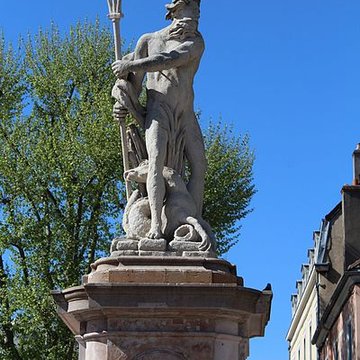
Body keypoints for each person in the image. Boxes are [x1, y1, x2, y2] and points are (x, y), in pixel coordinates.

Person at [112, 0, 206, 239]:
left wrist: (131, 63)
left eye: (197, 12)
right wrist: (121, 103)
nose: (195, 16)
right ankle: (155, 227)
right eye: (190, 10)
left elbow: (172, 59)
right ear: (175, 11)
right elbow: (133, 84)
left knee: (200, 164)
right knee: (155, 161)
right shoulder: (148, 41)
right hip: (159, 110)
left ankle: (192, 224)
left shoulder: (195, 42)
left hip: (185, 112)